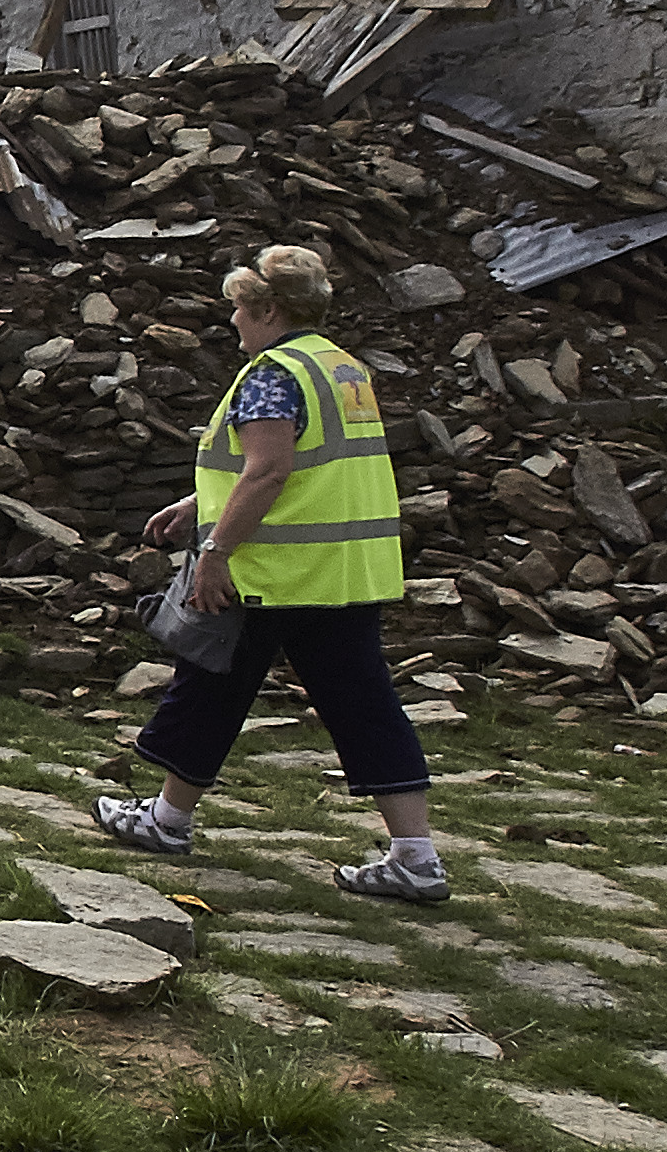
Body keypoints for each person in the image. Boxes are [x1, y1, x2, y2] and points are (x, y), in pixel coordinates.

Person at [97, 241, 448, 905]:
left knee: (211, 684)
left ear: (267, 309)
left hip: (271, 571)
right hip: (342, 571)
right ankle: (415, 856)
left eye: (237, 308)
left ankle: (168, 821)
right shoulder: (341, 368)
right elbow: (308, 465)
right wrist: (199, 502)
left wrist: (214, 552)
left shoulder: (271, 373)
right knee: (365, 704)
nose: (231, 322)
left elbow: (270, 470)